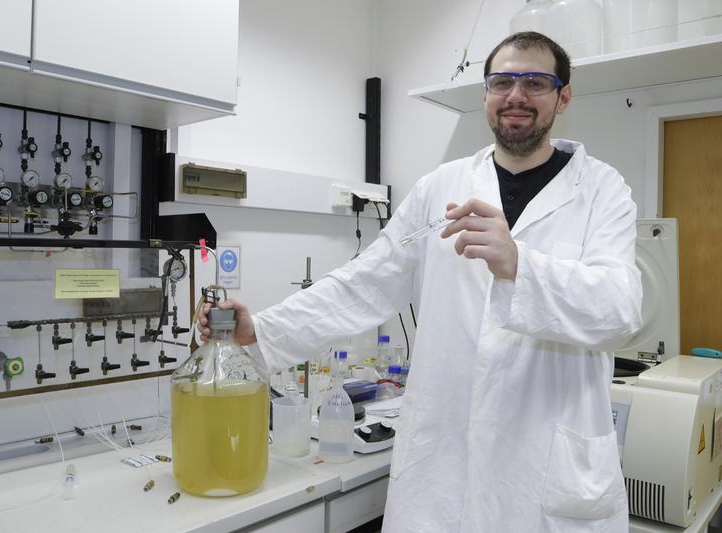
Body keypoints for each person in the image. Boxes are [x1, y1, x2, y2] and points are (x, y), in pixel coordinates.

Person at [199, 31, 642, 532]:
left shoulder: (603, 190)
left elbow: (620, 309)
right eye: (502, 82)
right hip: (444, 466)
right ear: (486, 95)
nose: (516, 96)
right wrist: (262, 330)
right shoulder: (440, 188)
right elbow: (365, 282)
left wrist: (519, 262)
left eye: (535, 82)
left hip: (544, 473)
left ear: (563, 97)